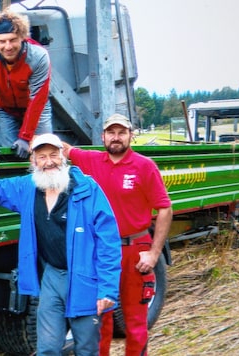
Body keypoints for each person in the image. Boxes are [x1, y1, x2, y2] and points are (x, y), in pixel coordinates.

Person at [0, 134, 121, 355]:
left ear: (63, 157)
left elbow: (108, 242)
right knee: (47, 348)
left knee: (87, 348)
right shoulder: (27, 188)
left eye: (53, 155)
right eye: (41, 156)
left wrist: (108, 289)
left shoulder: (86, 189)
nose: (48, 162)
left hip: (85, 278)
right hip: (52, 277)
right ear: (33, 161)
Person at [62, 113, 173, 356]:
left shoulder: (144, 166)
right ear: (102, 136)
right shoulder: (91, 161)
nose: (116, 137)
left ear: (130, 136)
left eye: (121, 132)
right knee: (101, 319)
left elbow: (165, 207)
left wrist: (154, 254)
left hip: (134, 249)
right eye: (111, 132)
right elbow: (65, 149)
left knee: (135, 321)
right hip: (101, 251)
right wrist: (34, 140)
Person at [0, 9, 53, 159]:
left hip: (37, 109)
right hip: (6, 109)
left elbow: (37, 99)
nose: (8, 47)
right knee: (7, 155)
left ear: (22, 38)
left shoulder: (39, 56)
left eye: (13, 40)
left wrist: (26, 137)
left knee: (44, 152)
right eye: (2, 41)